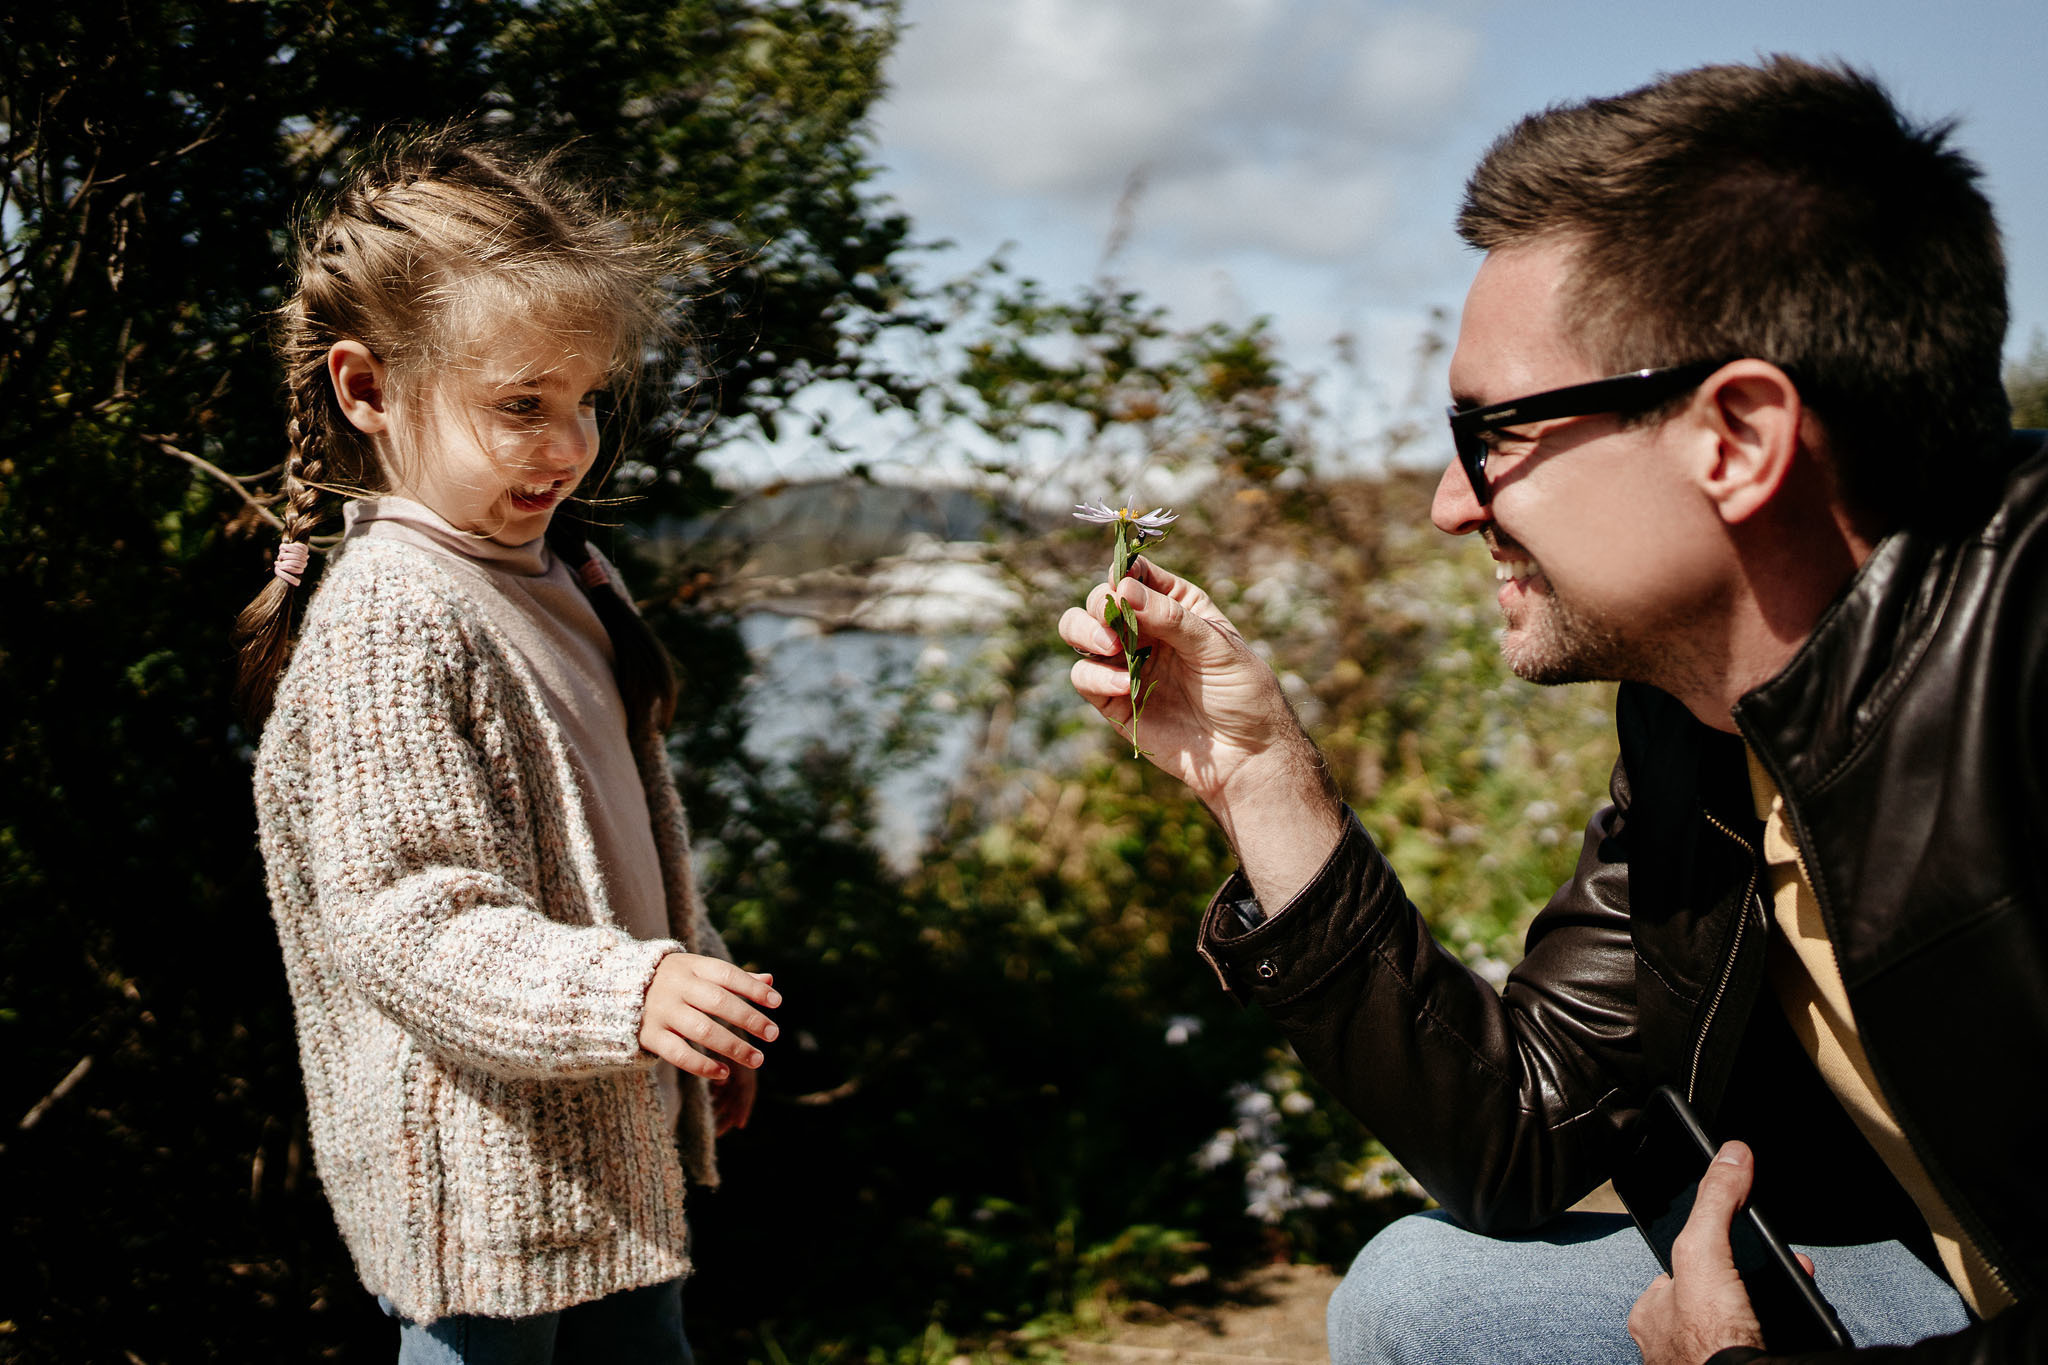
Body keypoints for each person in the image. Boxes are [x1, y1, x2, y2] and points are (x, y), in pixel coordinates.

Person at [1061, 57, 2045, 1364]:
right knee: (1427, 1293)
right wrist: (1261, 779)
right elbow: (1519, 1135)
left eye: (1494, 436)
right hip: (1957, 1271)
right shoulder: (1700, 720)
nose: (1451, 505)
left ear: (1738, 437)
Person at [235, 127, 780, 1363]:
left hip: (608, 1154)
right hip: (475, 1194)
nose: (570, 443)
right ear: (366, 390)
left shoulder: (575, 577)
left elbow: (619, 835)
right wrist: (632, 992)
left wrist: (696, 987)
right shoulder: (393, 612)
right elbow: (407, 916)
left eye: (585, 401)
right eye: (519, 406)